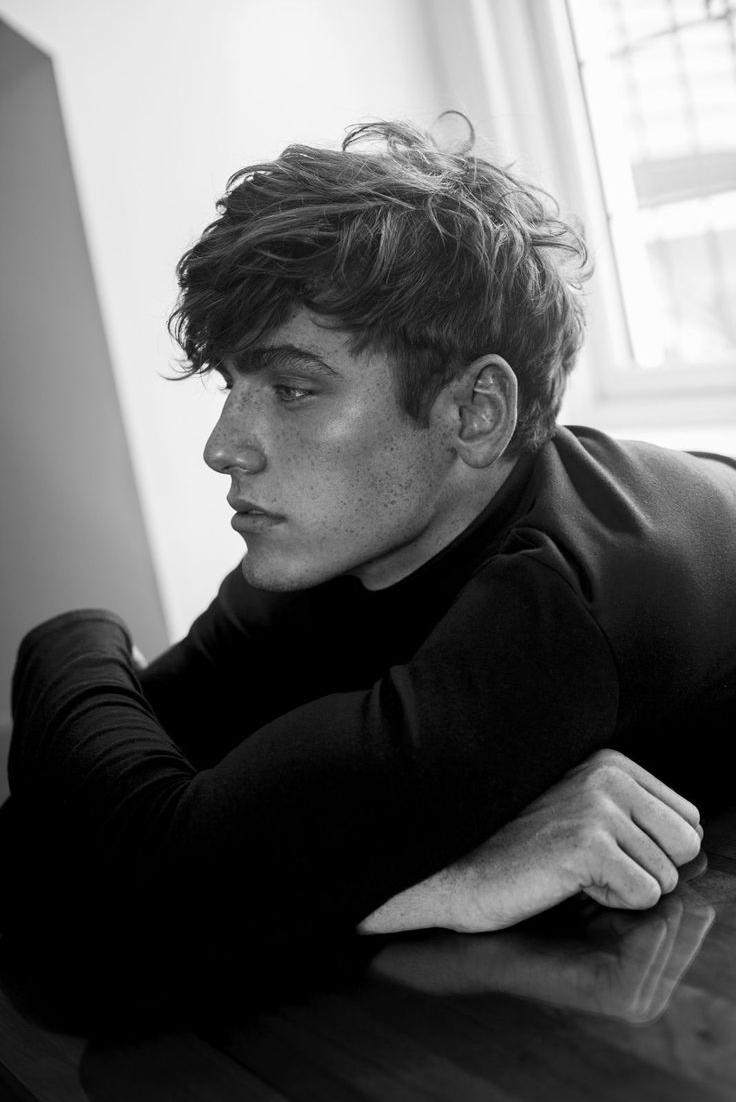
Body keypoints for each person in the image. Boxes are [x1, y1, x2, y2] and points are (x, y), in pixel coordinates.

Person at [2, 118, 733, 1002]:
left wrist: (66, 641)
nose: (223, 447)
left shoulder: (555, 607)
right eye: (231, 386)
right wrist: (448, 882)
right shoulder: (328, 556)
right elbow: (53, 853)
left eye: (293, 388)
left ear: (475, 413)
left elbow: (115, 944)